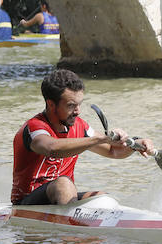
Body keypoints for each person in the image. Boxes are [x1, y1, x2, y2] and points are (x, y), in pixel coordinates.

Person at [11, 69, 153, 206]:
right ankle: (70, 228)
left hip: (63, 197)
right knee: (64, 184)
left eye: (79, 104)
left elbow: (112, 151)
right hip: (27, 202)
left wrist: (136, 145)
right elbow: (51, 148)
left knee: (102, 198)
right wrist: (100, 139)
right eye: (71, 105)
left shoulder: (80, 126)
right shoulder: (35, 127)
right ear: (51, 104)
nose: (78, 111)